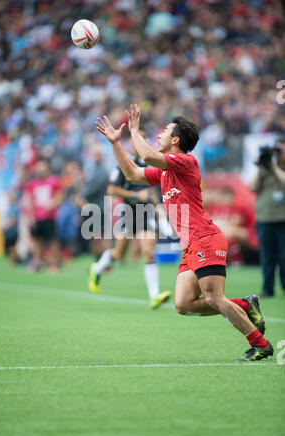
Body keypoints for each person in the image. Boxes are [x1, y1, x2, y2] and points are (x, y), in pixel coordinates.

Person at [95, 105, 274, 362]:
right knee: (183, 305)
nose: (158, 136)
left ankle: (260, 344)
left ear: (175, 140)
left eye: (164, 132)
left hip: (205, 238)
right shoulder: (166, 172)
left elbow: (146, 156)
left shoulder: (185, 161)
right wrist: (115, 144)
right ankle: (246, 304)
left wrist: (134, 130)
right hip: (191, 245)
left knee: (213, 297)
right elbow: (132, 173)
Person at [88, 132, 171, 309]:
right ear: (131, 145)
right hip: (129, 213)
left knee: (148, 253)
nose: (142, 143)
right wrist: (135, 194)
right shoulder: (123, 165)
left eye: (144, 140)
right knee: (118, 255)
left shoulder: (150, 164)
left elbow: (152, 191)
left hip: (146, 213)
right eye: (138, 141)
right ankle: (97, 269)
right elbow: (111, 190)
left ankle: (154, 296)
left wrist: (160, 209)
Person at [250, 139, 285, 297]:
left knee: (284, 255)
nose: (278, 154)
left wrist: (274, 167)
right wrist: (260, 167)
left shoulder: (278, 169)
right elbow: (253, 188)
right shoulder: (264, 168)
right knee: (267, 255)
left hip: (282, 218)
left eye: (280, 150)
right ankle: (267, 288)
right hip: (265, 217)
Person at [27, 158, 63, 272]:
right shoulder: (33, 184)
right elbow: (31, 201)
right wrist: (31, 216)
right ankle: (38, 261)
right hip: (38, 216)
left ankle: (55, 262)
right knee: (37, 240)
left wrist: (53, 205)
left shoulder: (53, 181)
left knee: (52, 240)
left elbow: (59, 196)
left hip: (50, 216)